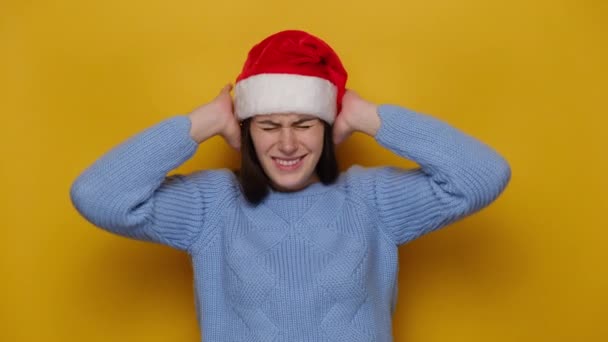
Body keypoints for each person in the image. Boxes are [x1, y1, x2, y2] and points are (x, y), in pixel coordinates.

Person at [70, 29, 511, 341]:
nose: (287, 143)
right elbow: (98, 195)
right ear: (245, 130)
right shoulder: (213, 206)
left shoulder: (372, 200)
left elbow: (482, 176)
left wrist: (369, 117)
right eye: (267, 126)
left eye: (303, 124)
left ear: (328, 127)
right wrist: (203, 123)